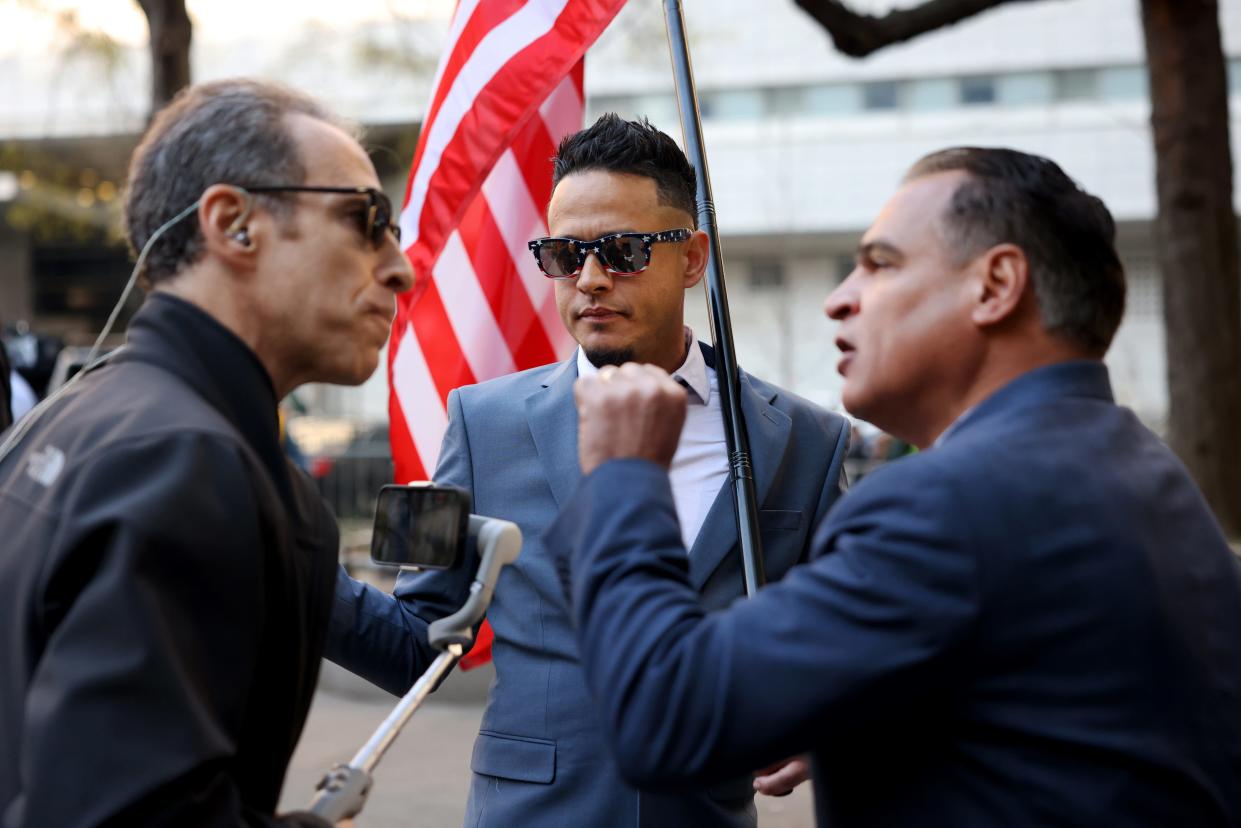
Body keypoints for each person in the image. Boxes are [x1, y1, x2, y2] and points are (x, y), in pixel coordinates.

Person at [549, 147, 1241, 827]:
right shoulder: (1148, 476)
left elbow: (662, 719)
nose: (837, 300)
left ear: (995, 285)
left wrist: (624, 473)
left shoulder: (944, 504)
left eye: (879, 264)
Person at [327, 114, 851, 827]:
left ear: (692, 258)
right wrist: (285, 552)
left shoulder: (803, 438)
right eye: (564, 255)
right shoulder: (480, 423)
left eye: (624, 250)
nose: (591, 279)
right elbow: (418, 641)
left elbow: (840, 640)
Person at [0, 79, 412, 826]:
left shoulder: (80, 413)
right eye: (366, 219)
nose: (398, 267)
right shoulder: (189, 461)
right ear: (234, 224)